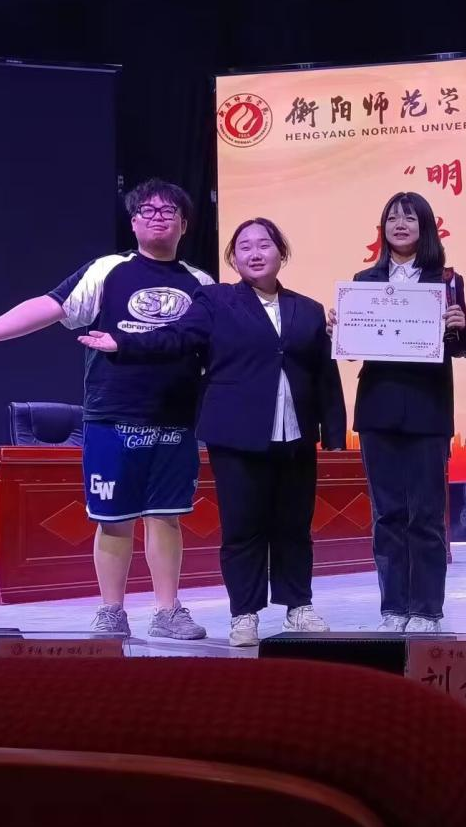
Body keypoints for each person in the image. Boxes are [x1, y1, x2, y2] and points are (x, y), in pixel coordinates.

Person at [0, 178, 213, 639]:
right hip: (112, 415)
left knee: (166, 517)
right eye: (148, 211)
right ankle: (111, 611)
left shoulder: (201, 283)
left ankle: (168, 612)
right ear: (133, 222)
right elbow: (49, 305)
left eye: (169, 212)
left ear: (184, 224)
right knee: (114, 520)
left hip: (175, 419)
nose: (158, 218)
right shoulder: (109, 270)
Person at [80, 217, 346, 647]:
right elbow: (177, 337)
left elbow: (324, 375)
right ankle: (245, 614)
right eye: (244, 247)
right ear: (233, 259)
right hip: (237, 437)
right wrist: (123, 344)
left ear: (281, 253)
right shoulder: (217, 300)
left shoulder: (309, 310)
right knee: (243, 528)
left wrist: (333, 432)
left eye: (264, 244)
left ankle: (299, 606)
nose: (255, 253)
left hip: (295, 438)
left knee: (294, 527)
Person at [329, 191, 466, 634]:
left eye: (410, 218)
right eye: (392, 218)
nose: (401, 225)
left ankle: (427, 609)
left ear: (425, 227)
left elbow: (460, 347)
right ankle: (393, 606)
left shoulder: (446, 280)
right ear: (383, 228)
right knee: (387, 514)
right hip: (379, 407)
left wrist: (459, 328)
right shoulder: (363, 281)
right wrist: (341, 329)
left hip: (428, 409)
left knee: (426, 515)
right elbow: (354, 350)